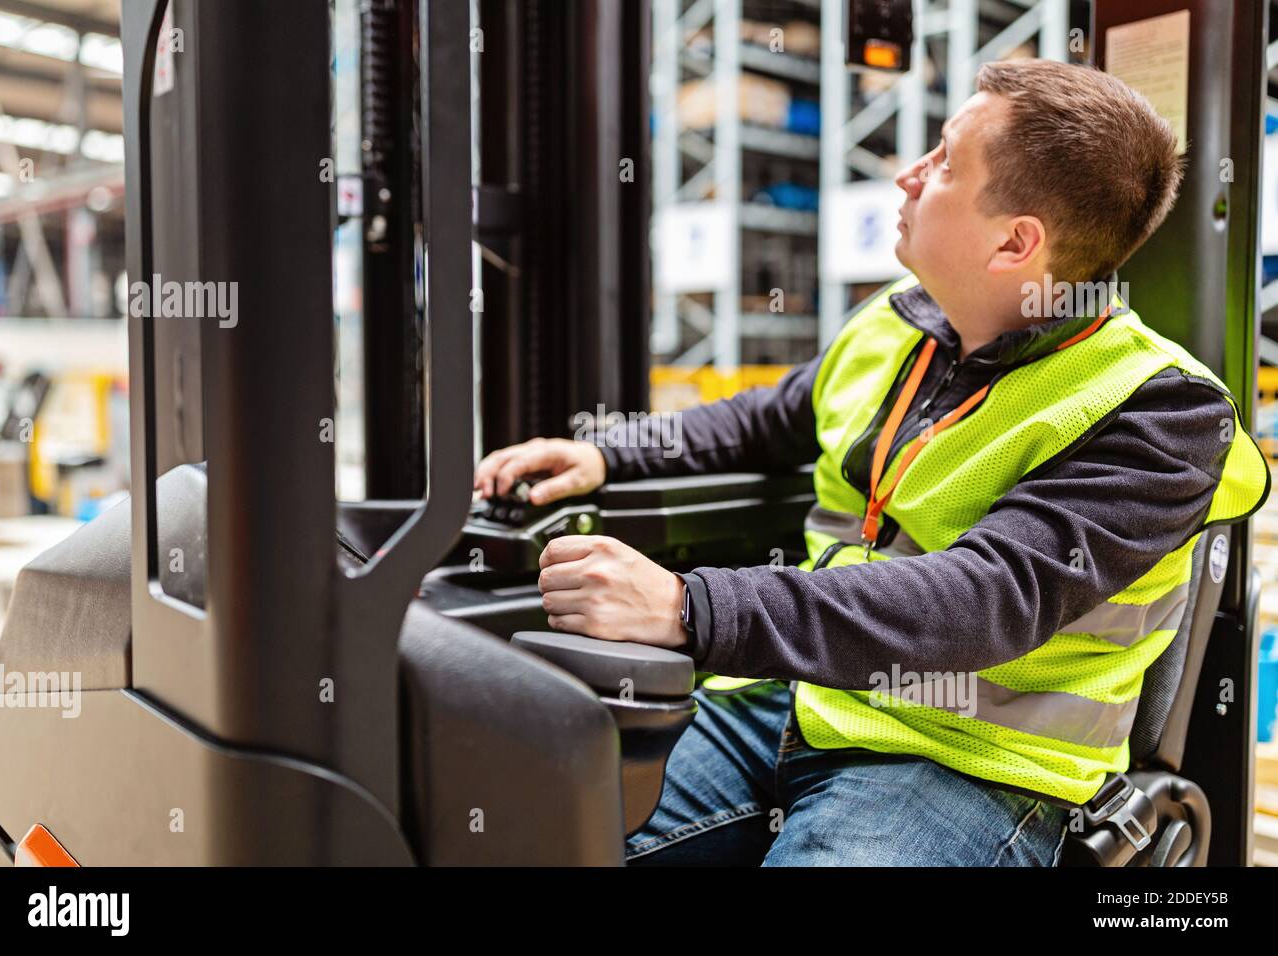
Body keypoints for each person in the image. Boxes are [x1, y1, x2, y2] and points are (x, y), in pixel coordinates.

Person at [472, 59, 1270, 866]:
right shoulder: (896, 328)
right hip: (797, 702)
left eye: (945, 163)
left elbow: (981, 599)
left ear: (1014, 241)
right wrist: (605, 452)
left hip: (968, 764)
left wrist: (690, 608)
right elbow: (765, 421)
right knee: (530, 833)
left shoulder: (1157, 411)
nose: (907, 175)